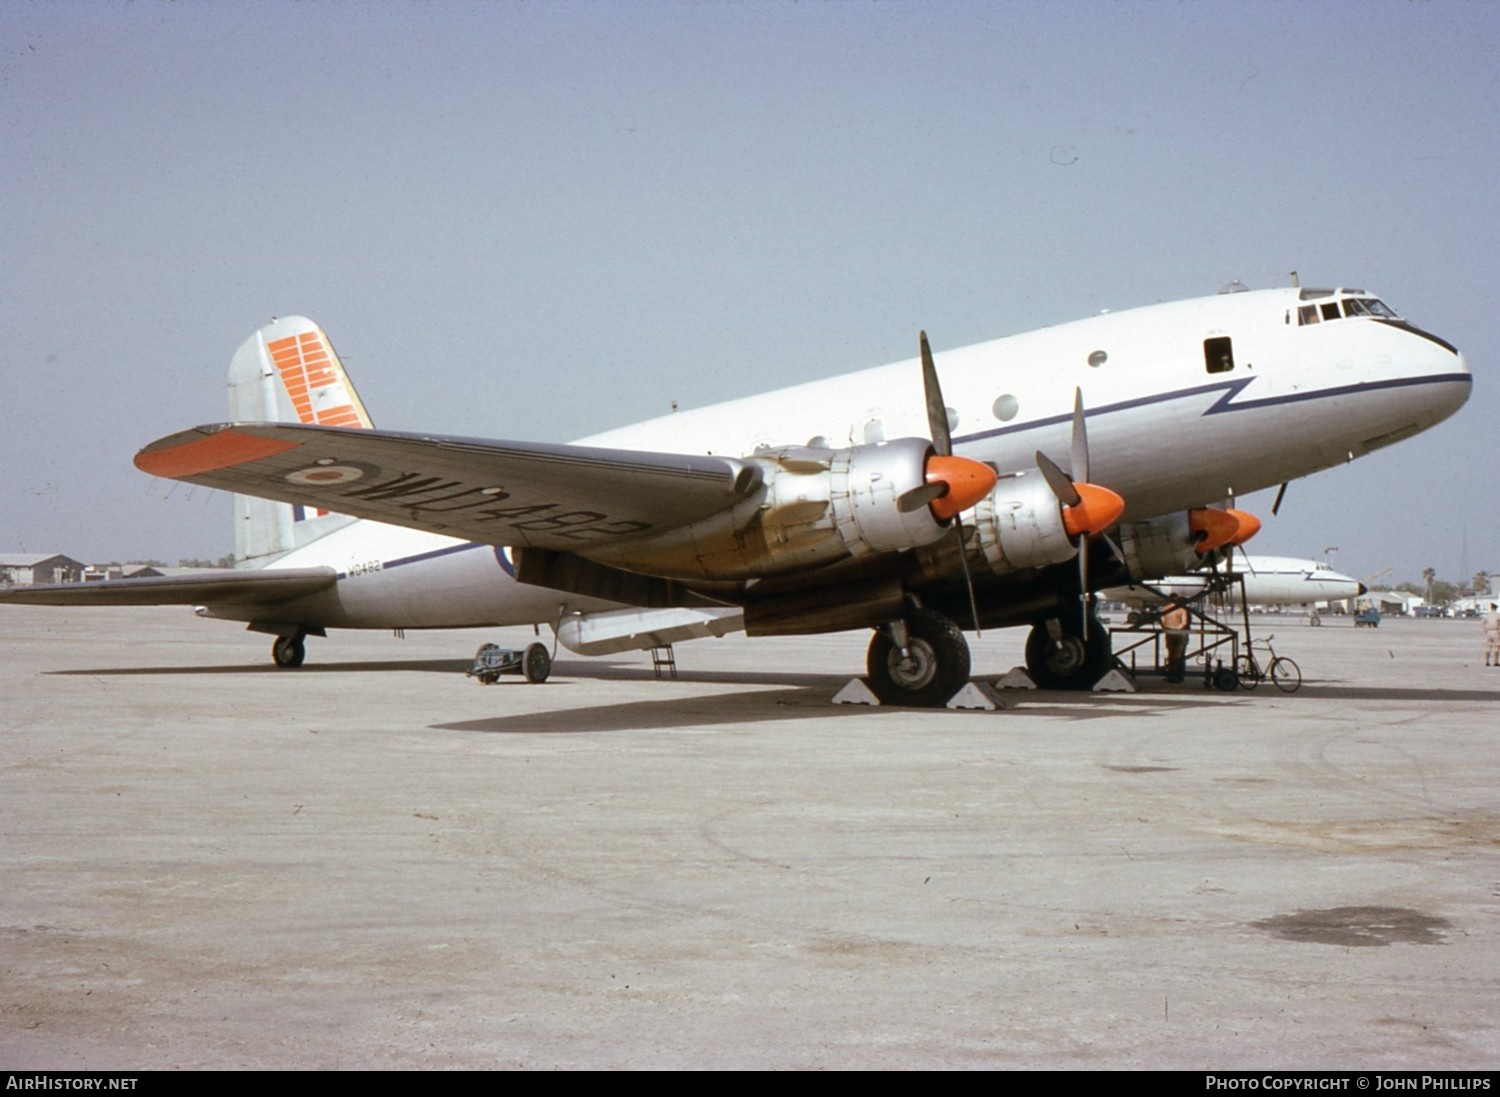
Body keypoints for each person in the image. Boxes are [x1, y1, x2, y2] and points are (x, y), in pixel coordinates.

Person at [1161, 598, 1191, 683]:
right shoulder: (1182, 610)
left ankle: (1171, 674)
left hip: (1169, 633)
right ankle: (1178, 675)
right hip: (1180, 634)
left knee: (1171, 654)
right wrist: (1177, 630)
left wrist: (1166, 628)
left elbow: (1162, 620)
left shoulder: (1166, 608)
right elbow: (1184, 623)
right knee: (1179, 655)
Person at [1484, 603, 1500, 668]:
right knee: (1497, 646)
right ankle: (1495, 662)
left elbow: (1482, 622)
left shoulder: (1487, 615)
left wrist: (1485, 630)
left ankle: (1487, 661)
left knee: (1488, 647)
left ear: (1491, 608)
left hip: (1489, 632)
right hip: (1496, 631)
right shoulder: (1498, 615)